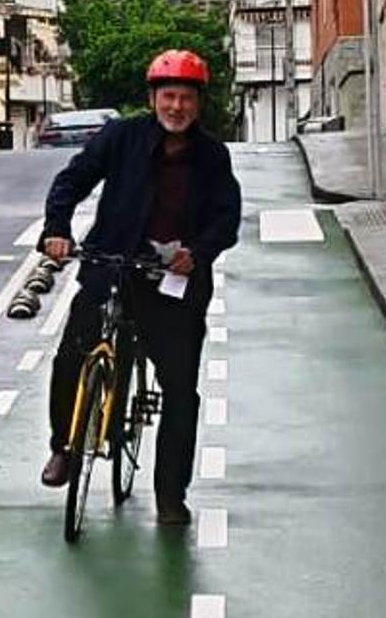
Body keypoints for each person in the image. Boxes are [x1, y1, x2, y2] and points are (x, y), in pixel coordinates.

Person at [38, 49, 242, 526]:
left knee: (179, 390)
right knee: (72, 352)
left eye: (186, 99)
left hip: (174, 280)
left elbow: (226, 220)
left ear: (198, 104)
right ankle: (64, 447)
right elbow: (72, 181)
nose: (177, 107)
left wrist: (200, 252)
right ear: (153, 98)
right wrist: (57, 229)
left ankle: (171, 494)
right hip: (111, 263)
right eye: (168, 96)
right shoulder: (121, 137)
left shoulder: (212, 155)